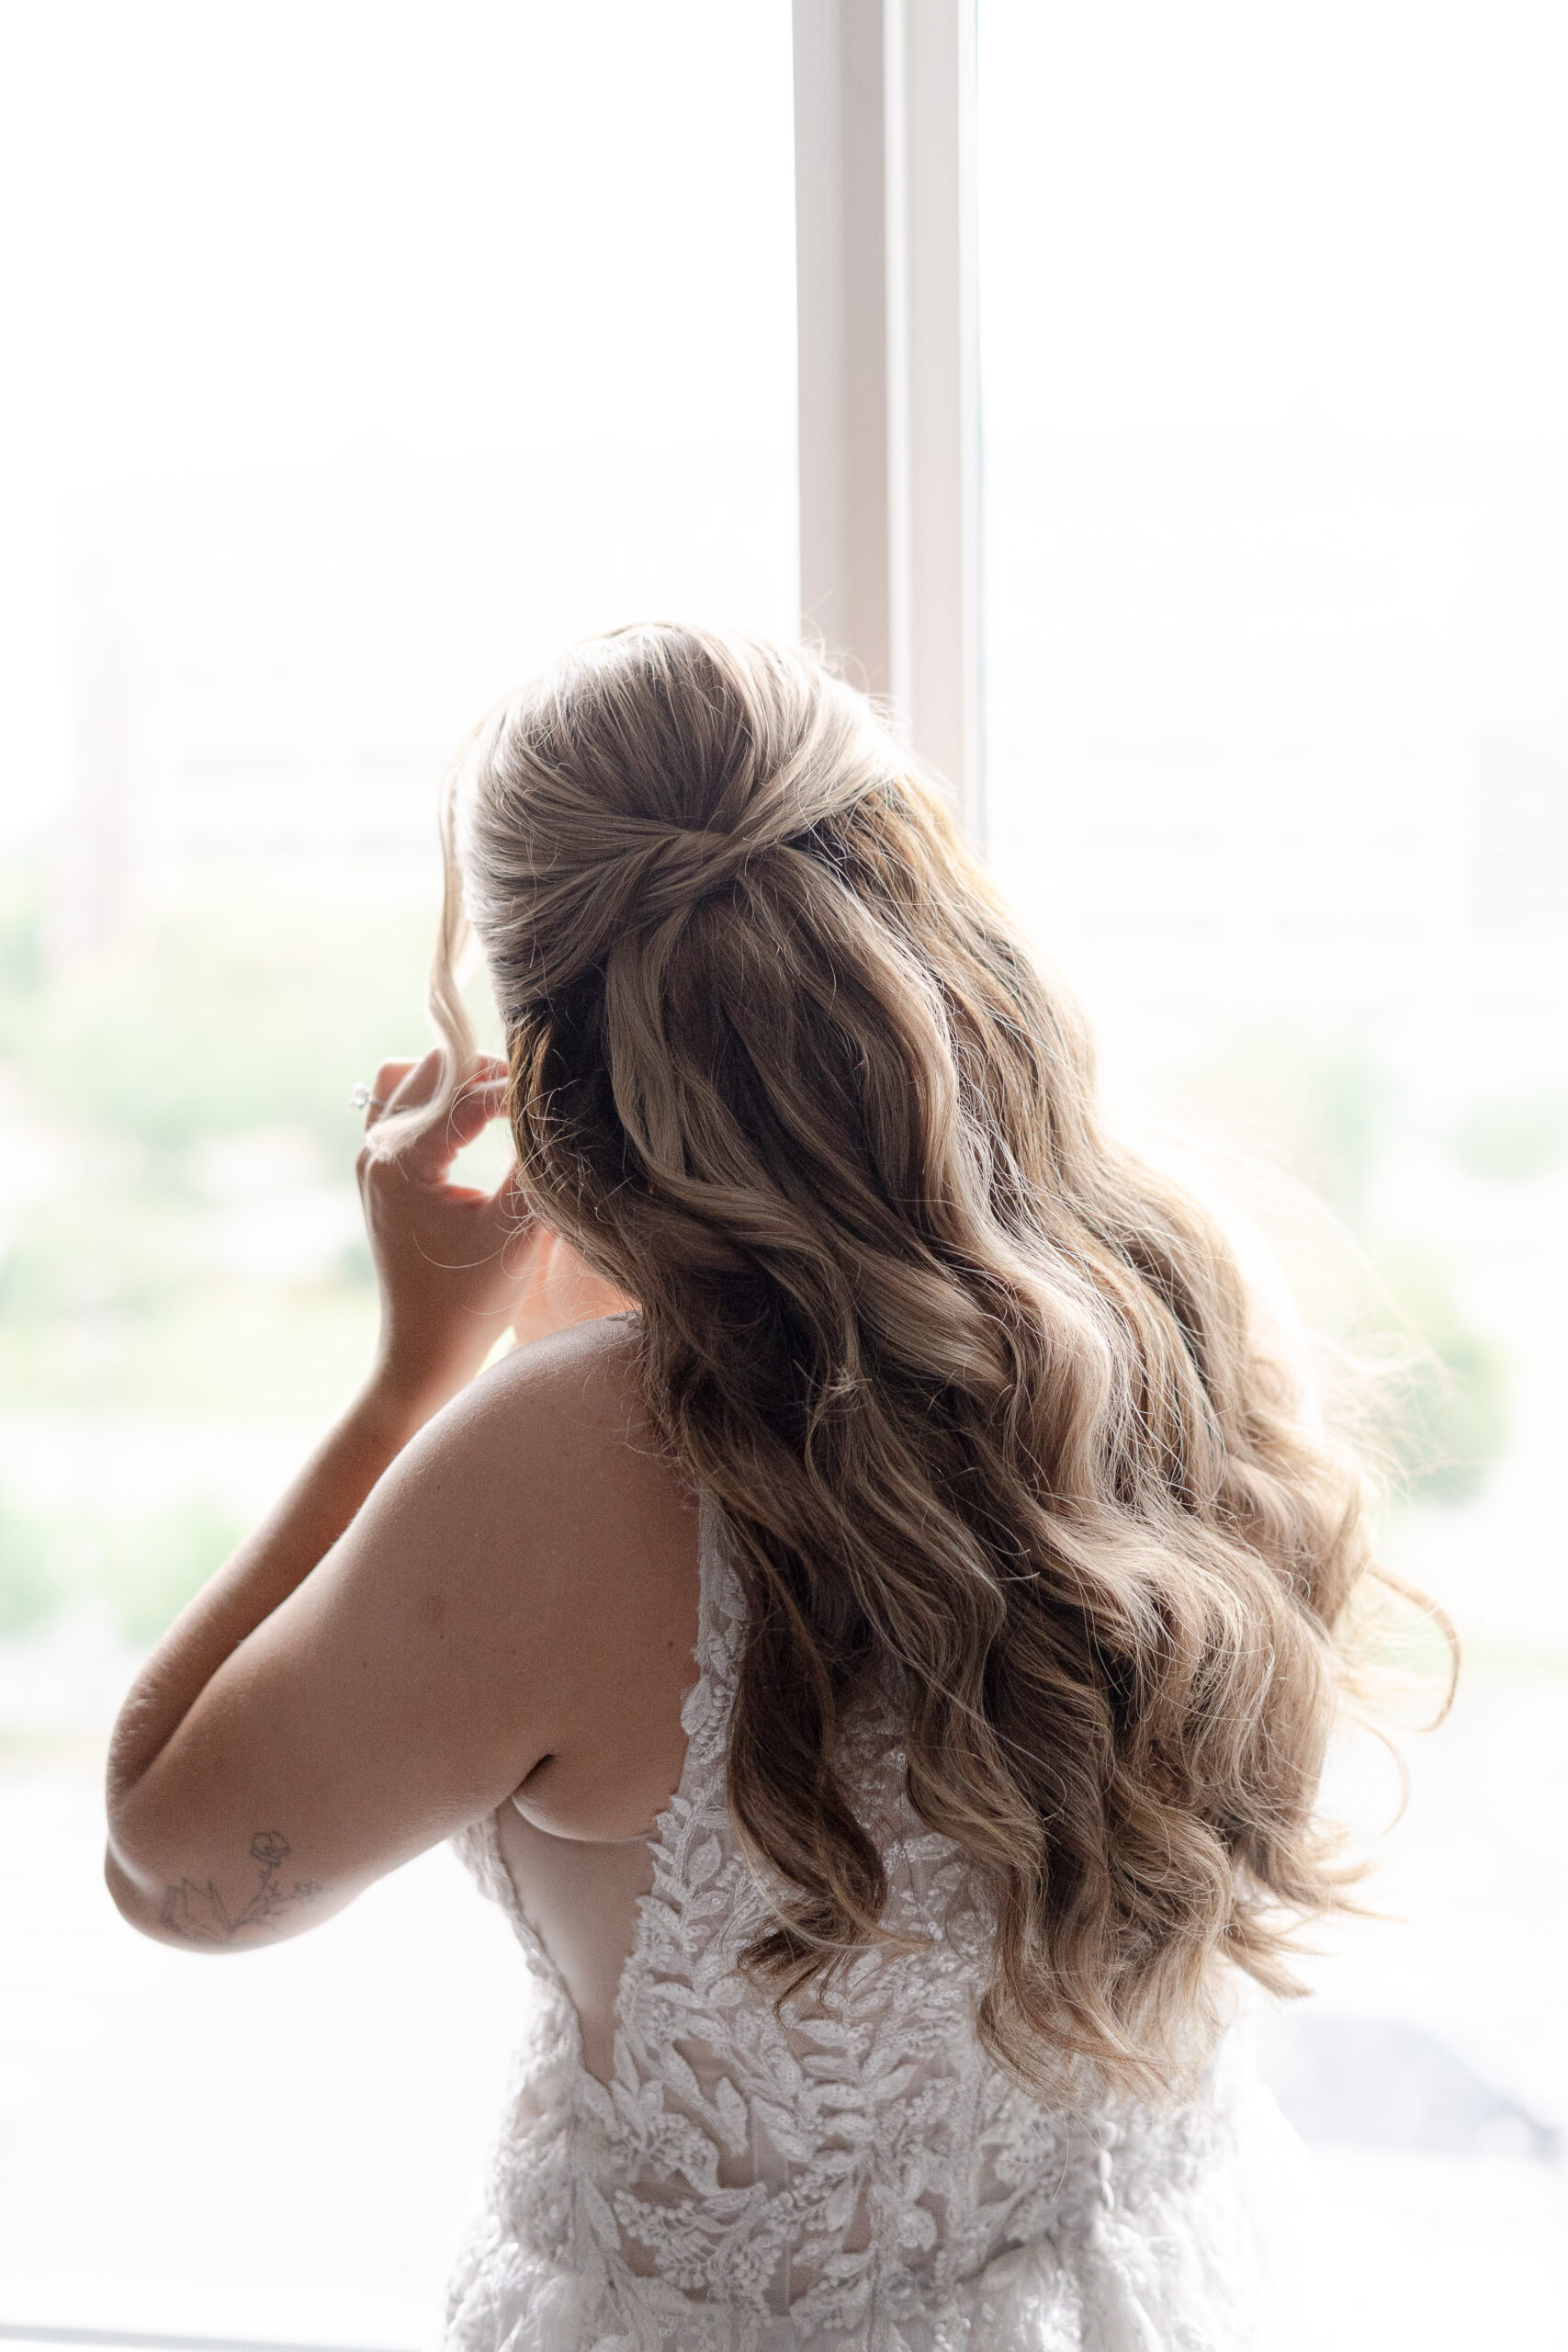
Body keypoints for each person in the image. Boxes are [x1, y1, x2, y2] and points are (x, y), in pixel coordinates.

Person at [106, 625, 1384, 2349]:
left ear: (548, 1049)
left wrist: (415, 1366)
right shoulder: (1170, 1296)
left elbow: (171, 1866)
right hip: (1150, 2293)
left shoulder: (580, 1462)